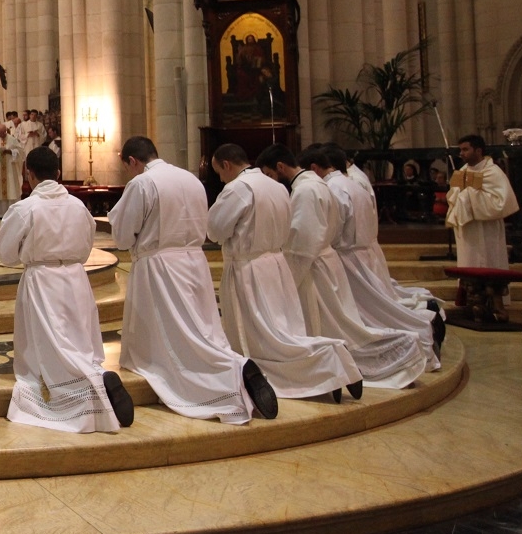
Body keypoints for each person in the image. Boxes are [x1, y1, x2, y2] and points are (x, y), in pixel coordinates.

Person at [108, 136, 276, 424]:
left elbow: (123, 235)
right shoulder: (189, 178)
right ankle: (235, 364)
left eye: (127, 167)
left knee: (175, 339)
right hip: (194, 262)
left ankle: (232, 369)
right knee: (200, 328)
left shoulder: (142, 183)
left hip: (159, 266)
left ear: (132, 161)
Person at [255, 144, 426, 390]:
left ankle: (345, 365)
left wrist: (288, 276)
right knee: (340, 323)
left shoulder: (305, 191)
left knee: (331, 325)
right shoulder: (319, 184)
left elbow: (303, 241)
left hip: (313, 266)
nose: (272, 182)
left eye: (270, 175)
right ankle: (336, 367)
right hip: (327, 260)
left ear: (280, 167)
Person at [207, 144, 362, 403]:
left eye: (218, 172)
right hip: (275, 266)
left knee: (266, 338)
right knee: (282, 330)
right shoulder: (278, 186)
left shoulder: (238, 189)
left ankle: (330, 356)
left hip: (250, 268)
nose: (220, 178)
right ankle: (332, 362)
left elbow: (215, 230)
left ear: (226, 164)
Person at [0, 146, 133, 432]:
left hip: (42, 279)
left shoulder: (25, 208)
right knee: (77, 338)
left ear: (28, 174)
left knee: (48, 344)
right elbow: (86, 245)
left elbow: (4, 253)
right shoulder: (77, 206)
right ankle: (95, 374)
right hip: (75, 277)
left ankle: (89, 385)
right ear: (58, 173)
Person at [317, 145, 442, 370]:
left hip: (348, 254)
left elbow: (336, 224)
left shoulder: (336, 187)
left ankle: (421, 327)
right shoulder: (350, 182)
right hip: (358, 250)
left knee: (369, 313)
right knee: (375, 306)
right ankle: (422, 323)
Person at [447, 133, 520, 270]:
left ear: (478, 150)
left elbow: (501, 201)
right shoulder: (461, 172)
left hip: (487, 228)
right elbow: (452, 196)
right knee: (468, 262)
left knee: (490, 263)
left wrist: (470, 195)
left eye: (465, 149)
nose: (461, 153)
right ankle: (467, 291)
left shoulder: (493, 172)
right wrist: (461, 194)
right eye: (460, 150)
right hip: (467, 228)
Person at [0, 123, 22, 219]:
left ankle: (12, 212)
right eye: (0, 133)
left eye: (3, 132)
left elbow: (21, 152)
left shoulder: (12, 140)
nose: (2, 135)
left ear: (5, 131)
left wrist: (9, 151)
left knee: (11, 188)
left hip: (10, 169)